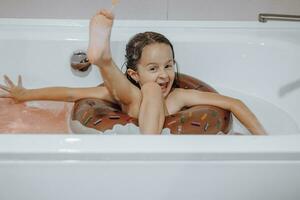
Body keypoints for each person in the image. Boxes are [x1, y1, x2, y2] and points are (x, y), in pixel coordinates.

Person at [0, 9, 267, 135]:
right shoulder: (125, 93)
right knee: (144, 92)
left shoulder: (180, 97)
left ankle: (104, 61)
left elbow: (234, 103)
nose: (164, 75)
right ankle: (104, 61)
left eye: (168, 65)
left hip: (144, 127)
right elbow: (69, 93)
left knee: (148, 91)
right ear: (134, 73)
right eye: (153, 68)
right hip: (135, 120)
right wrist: (25, 94)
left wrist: (265, 142)